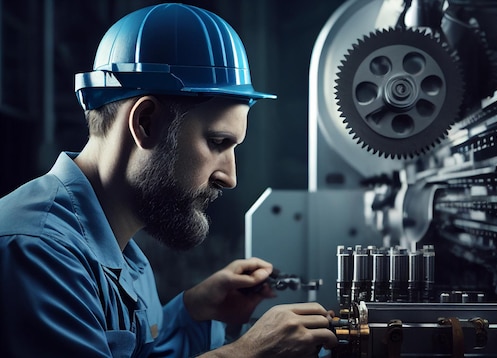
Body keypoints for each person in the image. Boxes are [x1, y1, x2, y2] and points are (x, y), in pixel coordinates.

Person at [0, 3, 337, 357]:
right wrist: (248, 352)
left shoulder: (126, 256)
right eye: (218, 142)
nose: (230, 177)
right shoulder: (37, 253)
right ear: (145, 122)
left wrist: (192, 310)